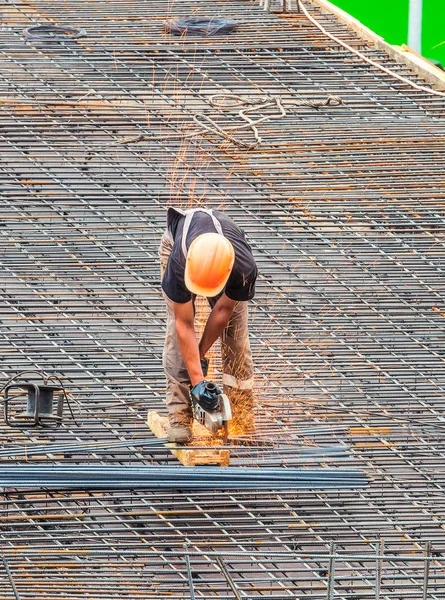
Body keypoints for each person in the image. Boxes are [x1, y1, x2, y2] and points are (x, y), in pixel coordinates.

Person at [159, 207, 258, 443]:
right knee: (176, 334)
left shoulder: (244, 269)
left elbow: (223, 310)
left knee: (236, 334)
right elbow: (185, 324)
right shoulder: (180, 261)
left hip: (227, 266)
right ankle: (179, 416)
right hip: (177, 245)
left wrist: (199, 355)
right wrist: (197, 382)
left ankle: (240, 413)